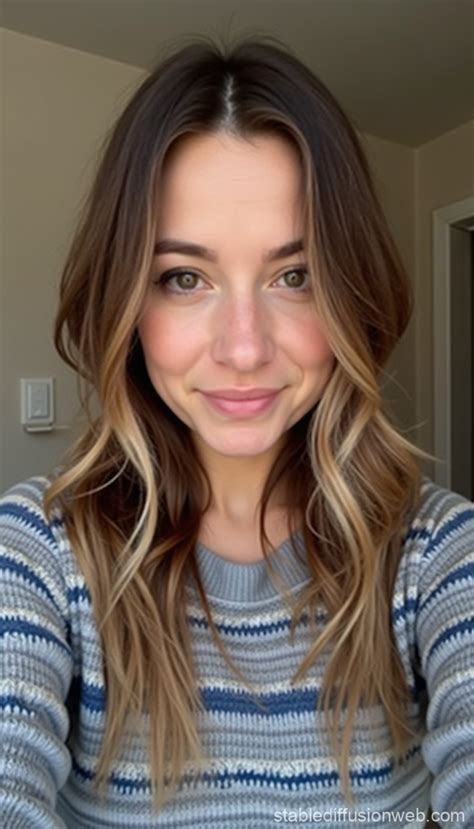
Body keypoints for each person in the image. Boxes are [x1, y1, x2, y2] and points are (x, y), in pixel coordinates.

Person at [0, 36, 473, 829]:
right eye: (185, 278)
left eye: (296, 275)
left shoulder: (437, 556)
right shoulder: (41, 553)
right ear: (125, 304)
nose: (245, 347)